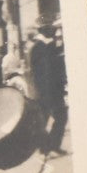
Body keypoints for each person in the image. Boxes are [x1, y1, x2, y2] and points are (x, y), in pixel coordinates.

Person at [27, 18, 68, 156]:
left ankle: (51, 146)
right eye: (50, 28)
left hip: (54, 89)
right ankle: (45, 147)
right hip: (45, 91)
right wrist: (42, 92)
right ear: (43, 30)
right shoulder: (38, 48)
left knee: (60, 115)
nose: (54, 30)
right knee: (43, 120)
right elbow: (39, 73)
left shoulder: (48, 46)